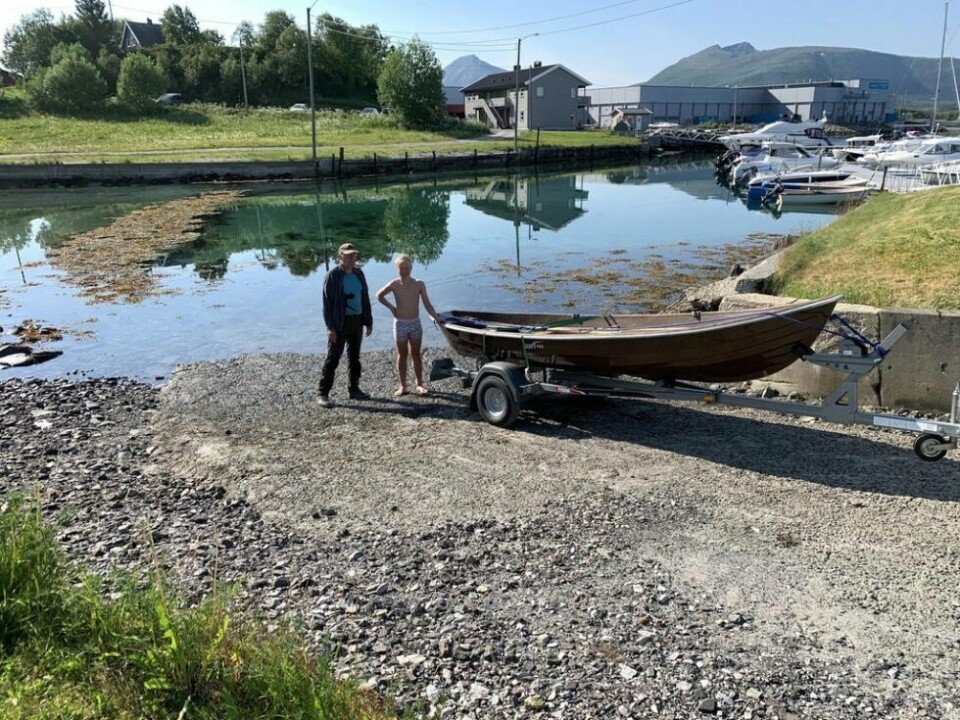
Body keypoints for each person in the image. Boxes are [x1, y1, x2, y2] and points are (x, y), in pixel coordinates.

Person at [376, 254, 441, 396]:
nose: (405, 271)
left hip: (415, 323)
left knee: (416, 354)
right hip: (400, 324)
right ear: (397, 269)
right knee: (402, 354)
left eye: (407, 268)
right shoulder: (394, 284)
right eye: (401, 268)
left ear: (411, 268)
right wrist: (392, 308)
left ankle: (419, 384)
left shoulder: (419, 284)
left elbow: (428, 305)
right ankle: (403, 386)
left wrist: (436, 318)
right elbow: (379, 295)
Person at [318, 243, 373, 407]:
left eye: (354, 255)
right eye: (348, 255)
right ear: (340, 256)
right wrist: (330, 327)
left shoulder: (359, 273)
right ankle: (322, 394)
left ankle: (354, 390)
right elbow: (326, 304)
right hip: (339, 323)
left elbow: (365, 297)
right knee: (333, 358)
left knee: (354, 358)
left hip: (356, 321)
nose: (352, 258)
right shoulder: (333, 276)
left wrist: (368, 321)